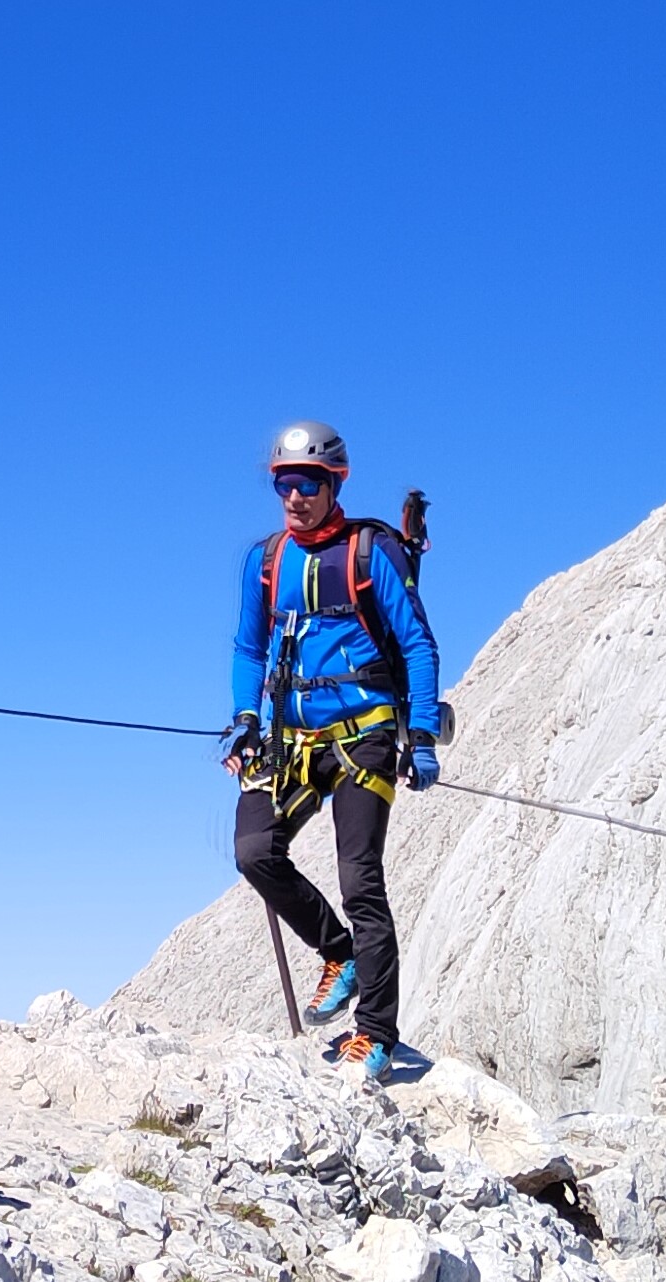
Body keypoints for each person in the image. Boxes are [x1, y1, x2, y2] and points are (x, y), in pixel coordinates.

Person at [225, 420, 441, 1083]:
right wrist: (244, 720)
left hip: (364, 737)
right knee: (254, 849)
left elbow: (416, 645)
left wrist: (422, 734)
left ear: (332, 484)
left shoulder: (370, 552)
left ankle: (373, 1031)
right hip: (291, 740)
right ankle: (338, 955)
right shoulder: (265, 561)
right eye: (283, 484)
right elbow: (248, 648)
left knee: (360, 881)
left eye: (306, 484)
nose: (293, 497)